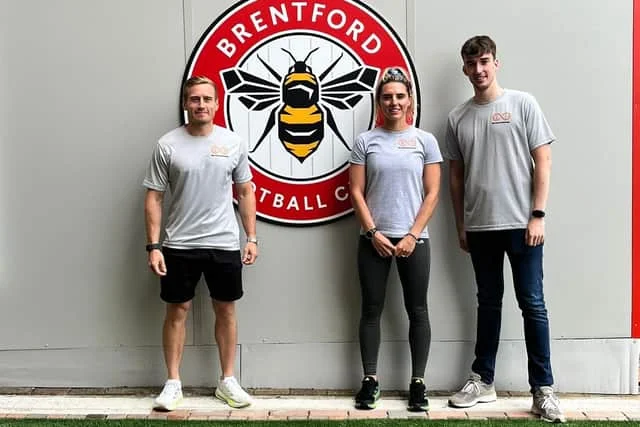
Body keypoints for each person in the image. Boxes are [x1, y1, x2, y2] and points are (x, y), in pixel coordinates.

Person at [443, 35, 565, 423]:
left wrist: (538, 215)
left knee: (533, 305)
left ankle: (543, 390)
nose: (478, 70)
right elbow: (456, 178)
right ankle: (483, 380)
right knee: (488, 303)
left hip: (523, 225)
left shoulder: (522, 103)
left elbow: (543, 160)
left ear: (496, 63)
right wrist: (461, 225)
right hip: (480, 227)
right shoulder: (457, 118)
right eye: (471, 64)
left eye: (485, 62)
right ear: (464, 69)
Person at [143, 75, 258, 411]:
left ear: (217, 103)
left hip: (224, 243)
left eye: (207, 99)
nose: (201, 105)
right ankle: (173, 383)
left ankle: (227, 381)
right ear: (185, 103)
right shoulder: (168, 145)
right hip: (179, 244)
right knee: (177, 310)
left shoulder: (233, 143)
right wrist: (153, 246)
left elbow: (246, 191)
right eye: (195, 99)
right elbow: (154, 197)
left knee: (226, 309)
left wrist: (250, 237)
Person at [349, 67, 442, 412]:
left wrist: (411, 235)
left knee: (417, 310)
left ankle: (418, 384)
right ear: (378, 101)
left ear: (410, 101)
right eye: (387, 96)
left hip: (414, 241)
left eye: (400, 96)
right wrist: (373, 232)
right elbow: (356, 191)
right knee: (371, 310)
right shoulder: (365, 141)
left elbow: (432, 194)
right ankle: (370, 381)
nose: (394, 102)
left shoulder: (424, 141)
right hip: (372, 241)